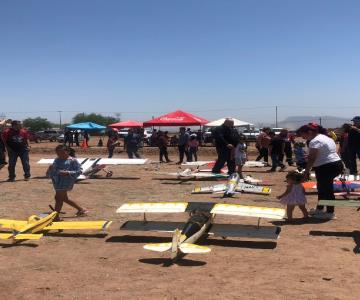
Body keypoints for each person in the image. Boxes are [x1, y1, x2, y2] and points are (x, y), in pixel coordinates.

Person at [298, 123, 343, 220]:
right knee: (322, 188)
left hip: (326, 166)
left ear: (309, 132)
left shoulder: (314, 141)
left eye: (303, 134)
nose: (302, 137)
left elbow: (312, 158)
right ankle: (319, 209)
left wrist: (306, 172)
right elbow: (324, 152)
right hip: (335, 164)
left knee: (327, 190)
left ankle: (330, 212)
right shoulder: (325, 137)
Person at [46, 145, 88, 219]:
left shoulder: (73, 160)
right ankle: (81, 210)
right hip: (57, 181)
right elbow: (54, 169)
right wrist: (50, 169)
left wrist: (68, 172)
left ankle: (56, 215)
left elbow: (79, 171)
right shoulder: (57, 159)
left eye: (62, 153)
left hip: (66, 181)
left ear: (68, 152)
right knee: (61, 198)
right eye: (58, 153)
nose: (60, 155)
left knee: (59, 198)